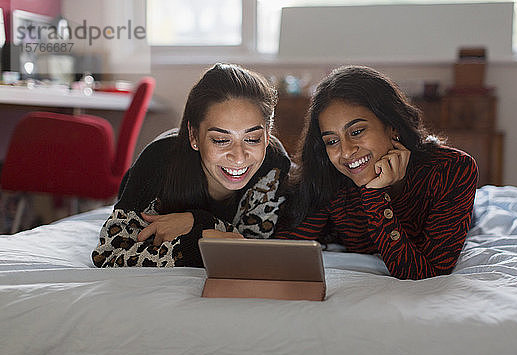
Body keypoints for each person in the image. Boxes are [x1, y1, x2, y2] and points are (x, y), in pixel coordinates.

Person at [275, 65, 478, 280]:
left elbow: (425, 275)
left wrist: (375, 196)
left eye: (357, 131)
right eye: (332, 141)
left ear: (392, 125)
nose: (345, 151)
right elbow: (286, 253)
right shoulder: (329, 173)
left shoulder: (452, 169)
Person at [92, 63, 290, 268]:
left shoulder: (273, 166)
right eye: (221, 140)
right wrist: (199, 238)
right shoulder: (159, 162)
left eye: (252, 139)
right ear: (194, 135)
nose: (239, 157)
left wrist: (197, 222)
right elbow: (108, 255)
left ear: (267, 135)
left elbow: (250, 247)